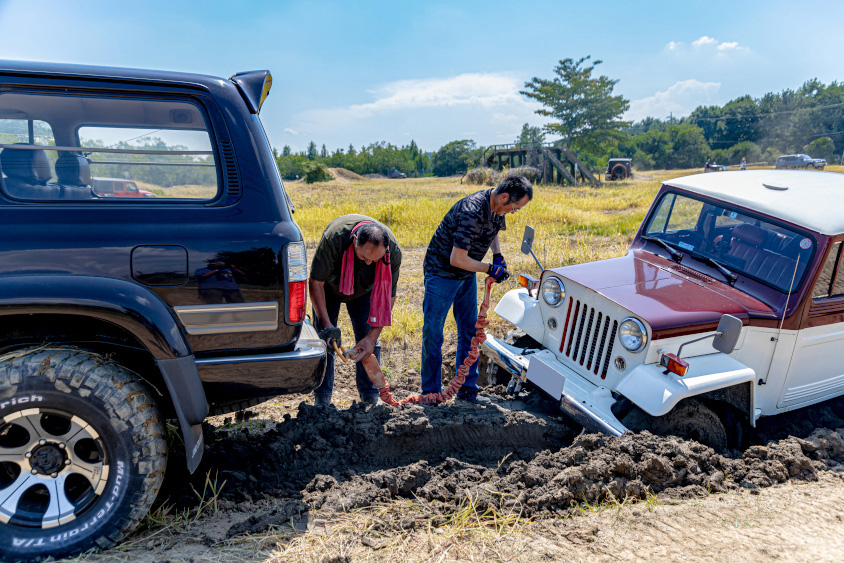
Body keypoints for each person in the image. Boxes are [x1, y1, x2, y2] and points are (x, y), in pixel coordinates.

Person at [421, 176, 533, 403]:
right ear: (504, 197)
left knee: (470, 332)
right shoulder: (472, 212)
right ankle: (431, 392)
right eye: (515, 207)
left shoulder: (497, 208)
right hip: (442, 272)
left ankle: (467, 389)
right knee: (433, 333)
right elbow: (457, 259)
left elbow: (494, 231)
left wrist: (497, 255)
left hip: (466, 273)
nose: (514, 212)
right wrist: (490, 268)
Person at [309, 215, 402, 406]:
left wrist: (371, 338)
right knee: (326, 341)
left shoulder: (392, 252)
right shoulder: (334, 239)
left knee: (369, 343)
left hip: (365, 291)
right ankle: (322, 399)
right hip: (329, 288)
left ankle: (370, 397)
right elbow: (315, 283)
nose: (369, 263)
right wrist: (327, 325)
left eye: (374, 260)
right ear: (354, 243)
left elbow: (388, 300)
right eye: (364, 257)